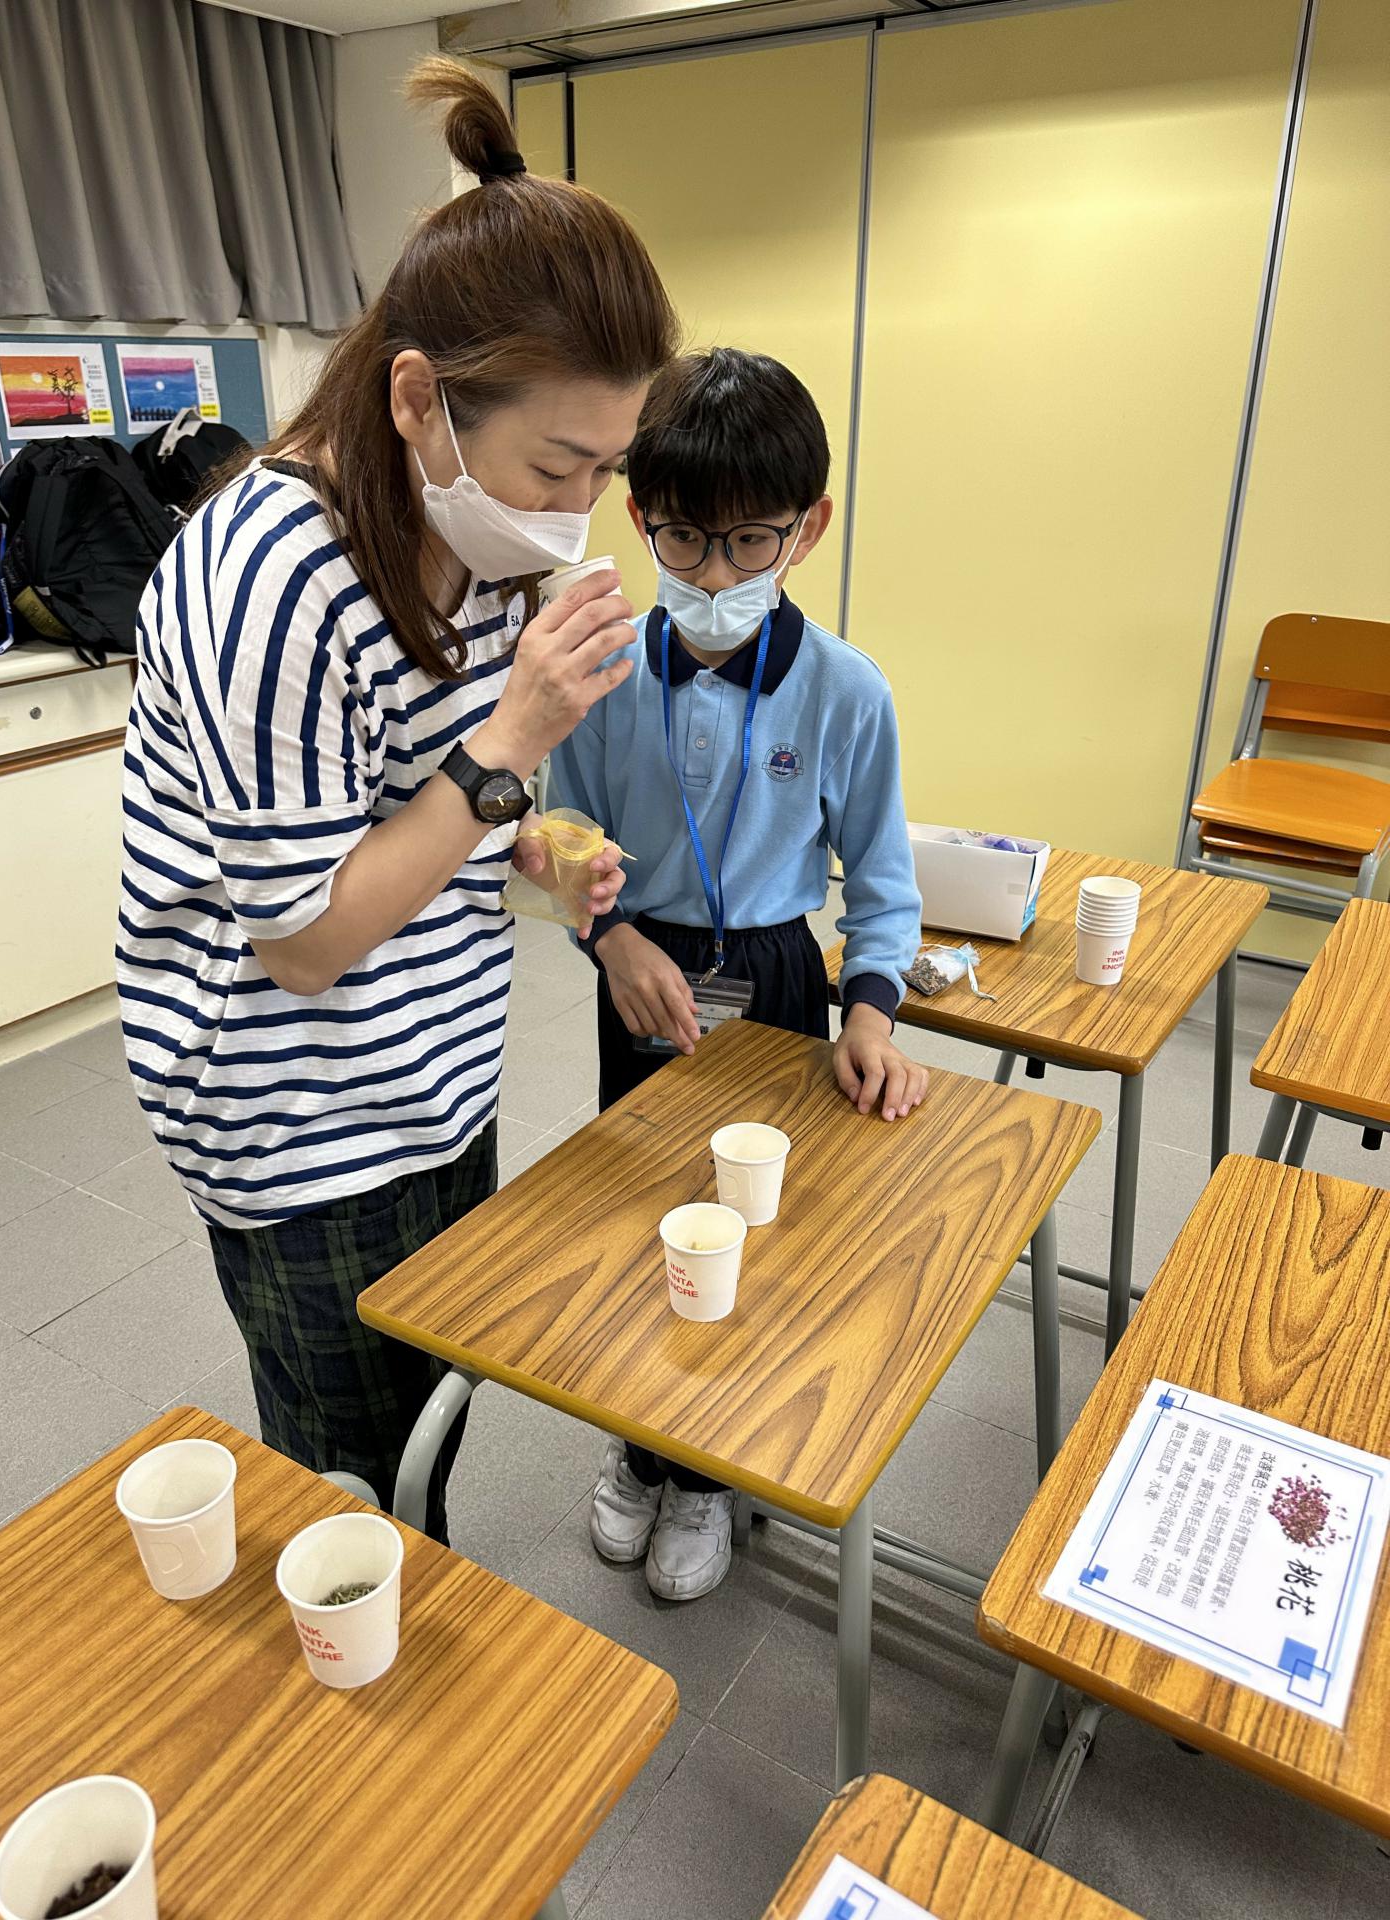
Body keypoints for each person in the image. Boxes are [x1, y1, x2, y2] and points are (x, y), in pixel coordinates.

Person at [117, 58, 677, 1543]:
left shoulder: (476, 538)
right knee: (353, 1481)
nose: (574, 515)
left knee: (433, 1411)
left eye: (605, 470)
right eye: (556, 465)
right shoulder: (269, 575)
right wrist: (509, 745)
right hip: (295, 1111)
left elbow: (428, 807)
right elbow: (305, 936)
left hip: (434, 1073)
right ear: (420, 397)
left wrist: (539, 845)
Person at [549, 347, 926, 1600]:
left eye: (750, 542)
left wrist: (871, 1013)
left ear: (808, 527)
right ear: (638, 518)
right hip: (642, 968)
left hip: (774, 975)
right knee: (639, 1213)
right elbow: (563, 834)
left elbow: (882, 881)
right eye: (683, 540)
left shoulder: (846, 691)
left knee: (752, 1230)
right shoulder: (602, 674)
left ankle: (707, 1472)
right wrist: (608, 938)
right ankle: (637, 1444)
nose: (713, 576)